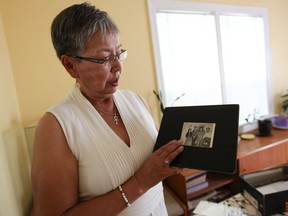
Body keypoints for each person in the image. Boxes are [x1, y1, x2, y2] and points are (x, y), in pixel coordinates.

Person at [31, 2, 184, 216]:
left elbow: (156, 165)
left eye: (119, 53)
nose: (118, 66)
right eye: (104, 58)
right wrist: (140, 182)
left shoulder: (137, 101)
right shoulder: (56, 127)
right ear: (70, 65)